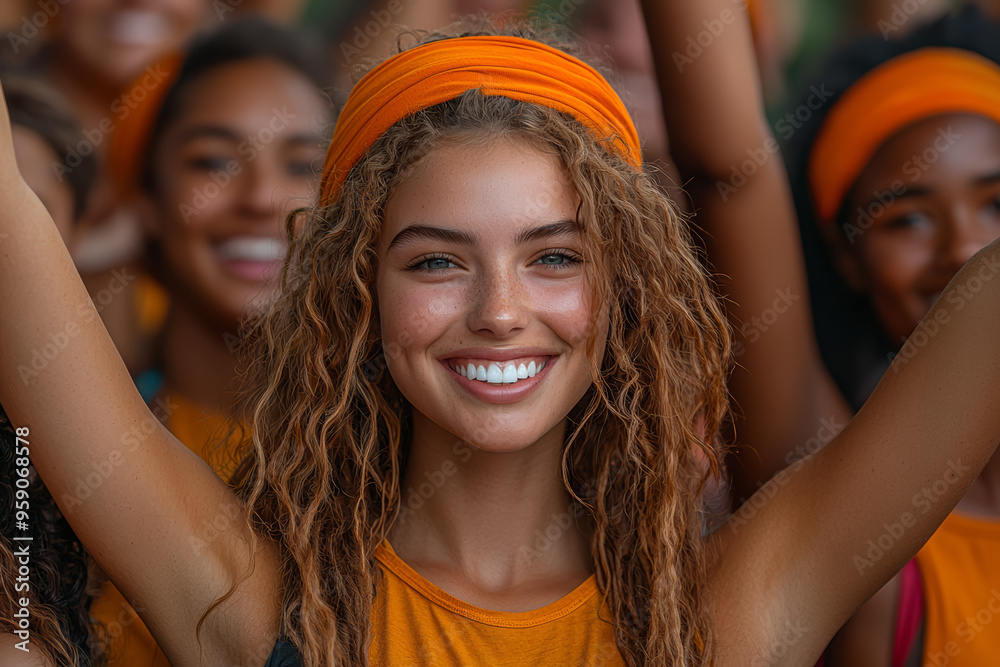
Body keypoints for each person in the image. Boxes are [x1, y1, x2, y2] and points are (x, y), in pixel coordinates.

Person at [3, 12, 1000, 667]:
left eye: (555, 258)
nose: (499, 309)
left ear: (628, 290)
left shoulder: (716, 620)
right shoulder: (248, 605)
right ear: (355, 293)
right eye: (436, 261)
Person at [87, 17, 330, 666]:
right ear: (147, 197)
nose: (262, 198)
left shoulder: (403, 453)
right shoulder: (71, 449)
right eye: (215, 161)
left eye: (304, 164)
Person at [776, 7, 1000, 665]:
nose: (964, 248)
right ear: (846, 258)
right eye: (906, 220)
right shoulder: (861, 531)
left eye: (997, 204)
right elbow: (727, 171)